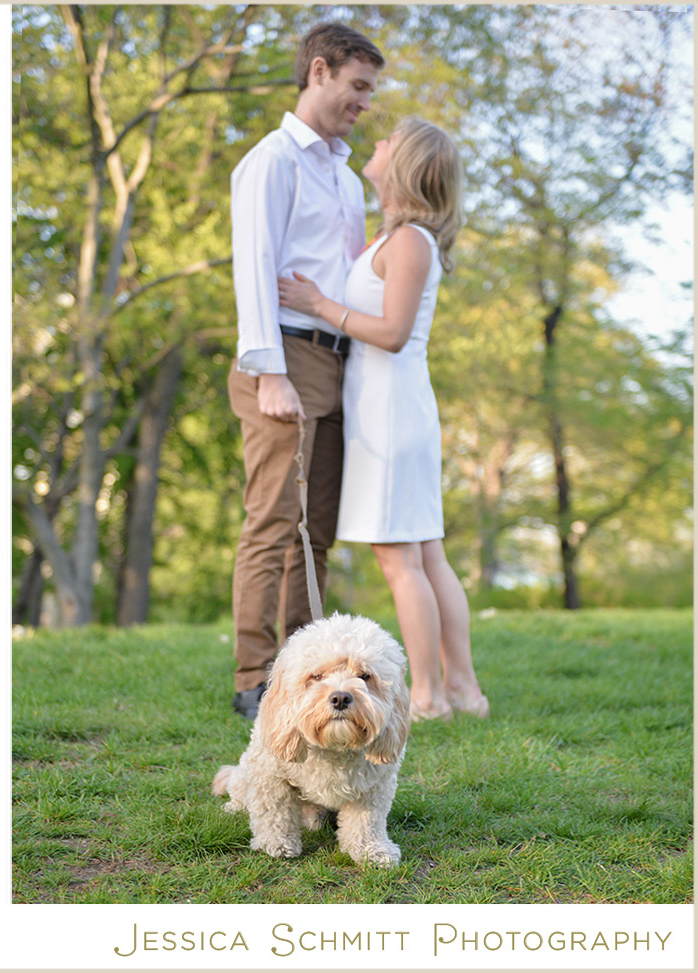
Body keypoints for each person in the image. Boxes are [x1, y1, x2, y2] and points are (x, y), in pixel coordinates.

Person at [277, 117, 489, 722]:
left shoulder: (410, 242)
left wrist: (321, 306)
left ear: (405, 165)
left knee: (404, 560)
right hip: (388, 405)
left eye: (388, 140)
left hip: (391, 410)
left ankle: (428, 694)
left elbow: (393, 333)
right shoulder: (397, 238)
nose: (376, 143)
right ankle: (463, 690)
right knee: (424, 554)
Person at [227, 23, 384, 720]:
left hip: (338, 360)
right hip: (284, 356)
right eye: (357, 86)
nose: (365, 102)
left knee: (316, 531)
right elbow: (254, 266)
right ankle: (254, 676)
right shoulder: (272, 161)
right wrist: (269, 370)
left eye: (370, 91)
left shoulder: (345, 177)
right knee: (272, 522)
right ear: (318, 72)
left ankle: (305, 672)